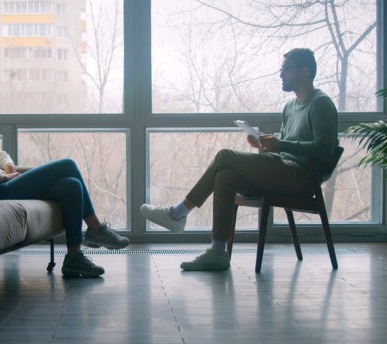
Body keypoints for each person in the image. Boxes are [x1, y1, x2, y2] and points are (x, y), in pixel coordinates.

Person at [140, 48, 338, 271]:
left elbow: (324, 149)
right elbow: (285, 151)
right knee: (225, 177)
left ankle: (177, 213)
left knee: (225, 155)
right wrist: (265, 146)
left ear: (304, 71)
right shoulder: (290, 107)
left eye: (286, 70)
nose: (280, 75)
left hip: (302, 178)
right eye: (281, 70)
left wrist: (281, 144)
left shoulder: (321, 104)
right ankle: (217, 252)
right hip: (284, 170)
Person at [0, 88, 129, 278]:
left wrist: (9, 166)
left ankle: (74, 257)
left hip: (4, 183)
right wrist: (2, 177)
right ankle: (96, 230)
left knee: (72, 185)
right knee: (68, 165)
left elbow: (0, 153)